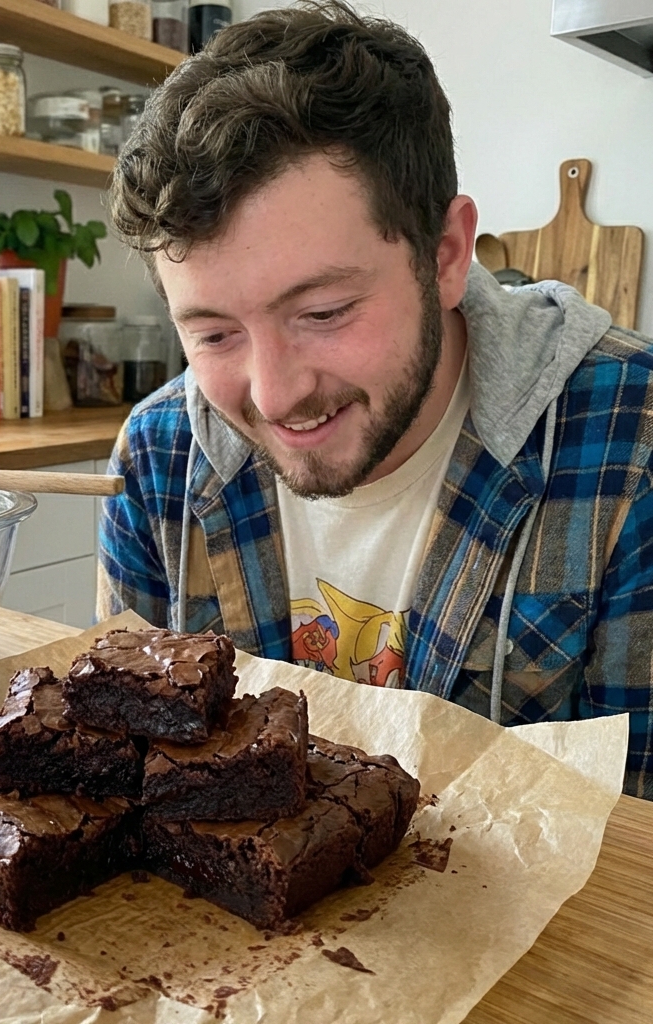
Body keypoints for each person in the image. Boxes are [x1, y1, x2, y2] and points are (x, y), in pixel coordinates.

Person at [98, 0, 653, 800]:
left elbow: (634, 840)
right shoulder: (156, 463)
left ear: (447, 255)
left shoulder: (630, 444)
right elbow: (121, 776)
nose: (275, 394)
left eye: (323, 313)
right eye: (214, 333)